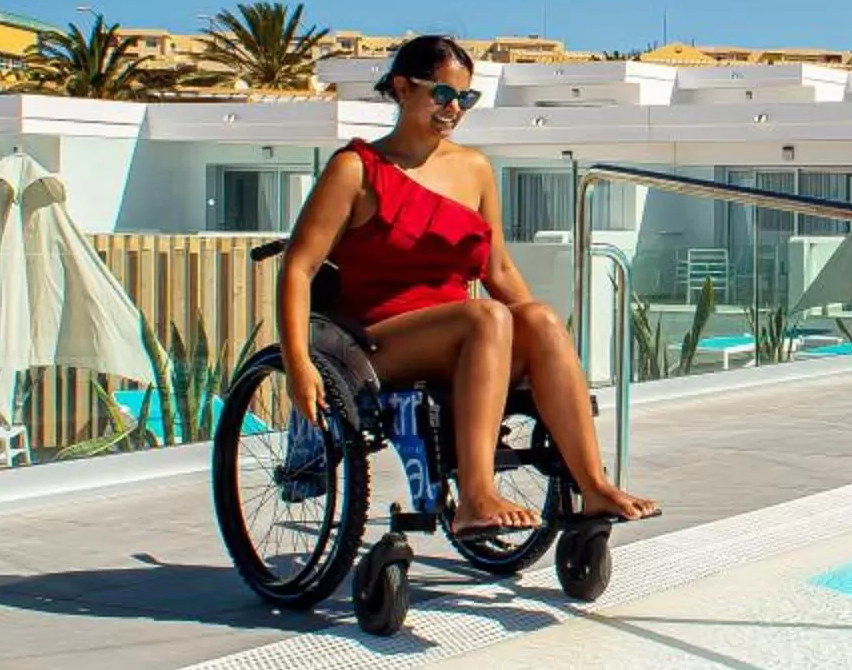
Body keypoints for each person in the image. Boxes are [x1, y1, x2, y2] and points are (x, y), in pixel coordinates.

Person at [277, 34, 656, 539]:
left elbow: (497, 269)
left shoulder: (474, 168)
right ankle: (475, 497)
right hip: (374, 343)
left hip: (468, 335)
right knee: (487, 316)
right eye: (442, 94)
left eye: (465, 98)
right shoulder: (356, 170)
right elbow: (298, 268)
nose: (454, 108)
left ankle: (593, 487)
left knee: (536, 317)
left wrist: (544, 341)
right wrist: (297, 363)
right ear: (402, 87)